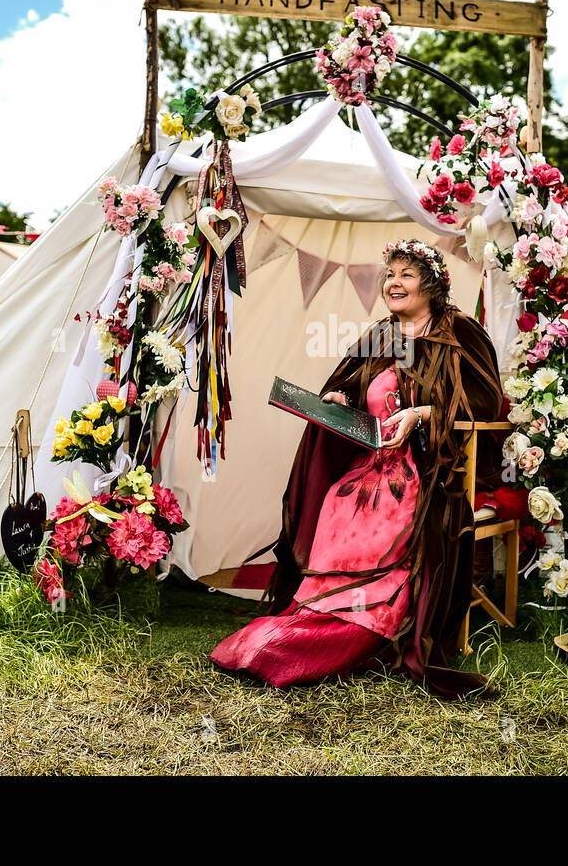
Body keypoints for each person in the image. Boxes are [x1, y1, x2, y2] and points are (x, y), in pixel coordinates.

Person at [210, 238, 505, 697]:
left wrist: (422, 414)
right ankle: (314, 617)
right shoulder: (380, 336)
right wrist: (340, 399)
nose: (394, 283)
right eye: (390, 275)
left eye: (406, 275)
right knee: (335, 501)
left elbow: (485, 401)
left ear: (431, 285)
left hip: (425, 473)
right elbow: (348, 383)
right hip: (371, 464)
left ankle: (368, 628)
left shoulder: (459, 331)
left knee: (387, 514)